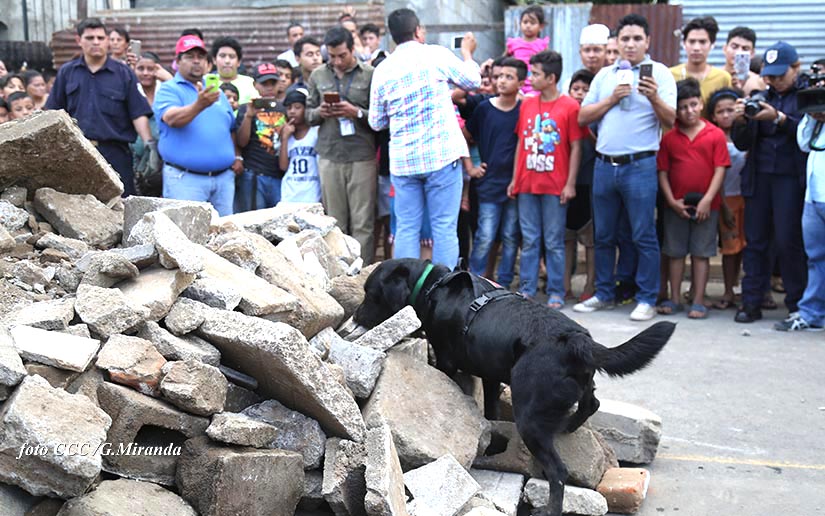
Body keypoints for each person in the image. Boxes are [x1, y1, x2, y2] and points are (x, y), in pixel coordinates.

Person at [574, 13, 677, 322]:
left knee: (643, 234)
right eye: (625, 39)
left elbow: (670, 121)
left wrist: (653, 96)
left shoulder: (660, 74)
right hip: (604, 165)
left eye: (637, 39)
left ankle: (646, 298)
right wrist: (611, 99)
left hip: (640, 165)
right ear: (616, 43)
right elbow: (582, 117)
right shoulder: (605, 76)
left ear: (647, 41)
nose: (631, 44)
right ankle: (604, 293)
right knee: (603, 235)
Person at [369, 8, 481, 268]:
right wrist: (467, 53)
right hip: (441, 157)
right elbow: (473, 80)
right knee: (444, 227)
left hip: (404, 162)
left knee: (406, 227)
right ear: (418, 31)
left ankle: (406, 287)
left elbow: (376, 122)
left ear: (392, 36)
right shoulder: (435, 55)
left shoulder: (383, 70)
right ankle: (444, 286)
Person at [731, 41, 808, 323]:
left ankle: (797, 303)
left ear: (796, 68)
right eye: (769, 75)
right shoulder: (760, 97)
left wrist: (778, 118)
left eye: (780, 74)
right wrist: (741, 121)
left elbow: (808, 135)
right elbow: (742, 143)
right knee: (756, 242)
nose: (774, 80)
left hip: (791, 179)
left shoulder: (807, 96)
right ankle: (750, 302)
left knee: (789, 242)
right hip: (759, 177)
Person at [509, 51, 585, 308]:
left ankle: (556, 291)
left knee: (554, 242)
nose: (531, 78)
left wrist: (570, 183)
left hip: (555, 185)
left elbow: (576, 146)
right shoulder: (527, 105)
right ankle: (527, 290)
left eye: (536, 74)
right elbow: (521, 142)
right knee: (529, 240)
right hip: (527, 183)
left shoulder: (570, 106)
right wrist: (515, 178)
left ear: (551, 78)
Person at [46, 18, 153, 196]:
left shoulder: (124, 73)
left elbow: (138, 113)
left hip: (116, 154)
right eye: (90, 38)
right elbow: (52, 113)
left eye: (100, 38)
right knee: (78, 203)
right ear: (79, 40)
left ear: (107, 41)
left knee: (120, 204)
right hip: (76, 153)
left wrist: (149, 145)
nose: (96, 42)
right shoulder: (67, 72)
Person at [656, 78, 729, 319]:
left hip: (708, 206)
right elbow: (663, 172)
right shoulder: (669, 138)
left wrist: (708, 200)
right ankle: (675, 299)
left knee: (701, 253)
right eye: (683, 107)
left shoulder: (715, 135)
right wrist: (671, 201)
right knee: (675, 253)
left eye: (693, 105)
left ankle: (698, 300)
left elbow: (720, 169)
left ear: (701, 104)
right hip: (676, 205)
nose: (689, 111)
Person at [307, 26, 376, 263]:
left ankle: (362, 273)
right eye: (332, 56)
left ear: (352, 49)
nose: (337, 61)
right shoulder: (318, 75)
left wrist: (356, 112)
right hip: (329, 155)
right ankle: (339, 272)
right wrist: (321, 112)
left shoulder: (370, 74)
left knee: (363, 222)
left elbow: (380, 117)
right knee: (334, 222)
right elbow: (307, 114)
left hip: (361, 155)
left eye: (342, 56)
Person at [154, 34, 239, 216]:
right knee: (186, 232)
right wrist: (199, 105)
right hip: (185, 180)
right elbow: (172, 119)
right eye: (189, 56)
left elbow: (230, 128)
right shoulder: (169, 89)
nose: (196, 61)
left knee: (225, 231)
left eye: (201, 57)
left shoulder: (216, 91)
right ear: (177, 61)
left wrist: (237, 156)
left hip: (224, 179)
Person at [466, 57, 525, 289]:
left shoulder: (524, 109)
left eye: (509, 77)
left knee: (510, 236)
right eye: (499, 76)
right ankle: (474, 283)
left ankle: (505, 284)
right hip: (489, 184)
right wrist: (471, 167)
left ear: (521, 82)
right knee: (485, 236)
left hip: (514, 185)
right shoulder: (484, 109)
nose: (501, 81)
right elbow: (464, 135)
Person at [775, 97, 825, 330]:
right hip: (813, 196)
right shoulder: (818, 122)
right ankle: (811, 313)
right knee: (815, 258)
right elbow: (803, 143)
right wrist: (812, 113)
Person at [704, 88, 747, 310]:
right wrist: (722, 204)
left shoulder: (748, 133)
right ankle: (729, 290)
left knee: (748, 246)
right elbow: (715, 173)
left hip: (747, 197)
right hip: (726, 199)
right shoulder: (714, 138)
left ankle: (752, 290)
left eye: (731, 110)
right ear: (713, 116)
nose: (726, 115)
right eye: (720, 111)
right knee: (730, 248)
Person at [236, 63, 288, 212]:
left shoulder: (286, 108)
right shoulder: (246, 108)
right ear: (255, 85)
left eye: (273, 83)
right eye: (264, 83)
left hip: (280, 175)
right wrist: (248, 116)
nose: (269, 87)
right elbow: (241, 142)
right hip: (254, 174)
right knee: (253, 220)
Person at [564, 69, 597, 302]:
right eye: (576, 89)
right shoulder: (562, 115)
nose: (580, 94)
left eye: (586, 90)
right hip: (564, 184)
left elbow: (601, 146)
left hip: (590, 183)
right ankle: (564, 285)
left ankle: (590, 284)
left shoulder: (597, 118)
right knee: (566, 238)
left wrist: (585, 128)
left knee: (591, 240)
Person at [670, 17, 731, 102]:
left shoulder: (723, 78)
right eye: (692, 42)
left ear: (712, 44)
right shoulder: (670, 75)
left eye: (702, 42)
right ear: (684, 43)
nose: (696, 48)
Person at [279, 88, 321, 203]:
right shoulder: (287, 134)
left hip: (312, 191)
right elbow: (283, 167)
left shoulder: (316, 131)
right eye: (289, 108)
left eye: (297, 107)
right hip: (290, 193)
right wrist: (284, 138)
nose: (292, 111)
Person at [132, 51, 164, 196]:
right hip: (136, 157)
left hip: (163, 159)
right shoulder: (131, 90)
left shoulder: (165, 90)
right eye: (141, 68)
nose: (145, 73)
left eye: (150, 69)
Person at [506, 5, 548, 95]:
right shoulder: (513, 43)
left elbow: (548, 64)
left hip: (535, 85)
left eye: (532, 23)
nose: (528, 26)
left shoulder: (542, 45)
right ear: (520, 24)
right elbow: (504, 60)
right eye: (525, 22)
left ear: (541, 26)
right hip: (516, 83)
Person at [208, 37, 257, 105]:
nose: (227, 61)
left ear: (239, 62)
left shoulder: (251, 84)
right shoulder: (205, 82)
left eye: (232, 56)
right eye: (222, 56)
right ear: (214, 60)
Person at [723, 26, 766, 95]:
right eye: (734, 47)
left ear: (752, 53)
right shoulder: (714, 77)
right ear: (725, 49)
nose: (739, 52)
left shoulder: (758, 82)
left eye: (745, 49)